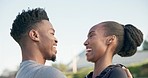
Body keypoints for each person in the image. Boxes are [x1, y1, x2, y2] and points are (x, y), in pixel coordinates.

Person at [10, 8, 66, 78]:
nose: (56, 40)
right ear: (34, 35)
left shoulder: (20, 74)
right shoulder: (49, 74)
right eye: (52, 33)